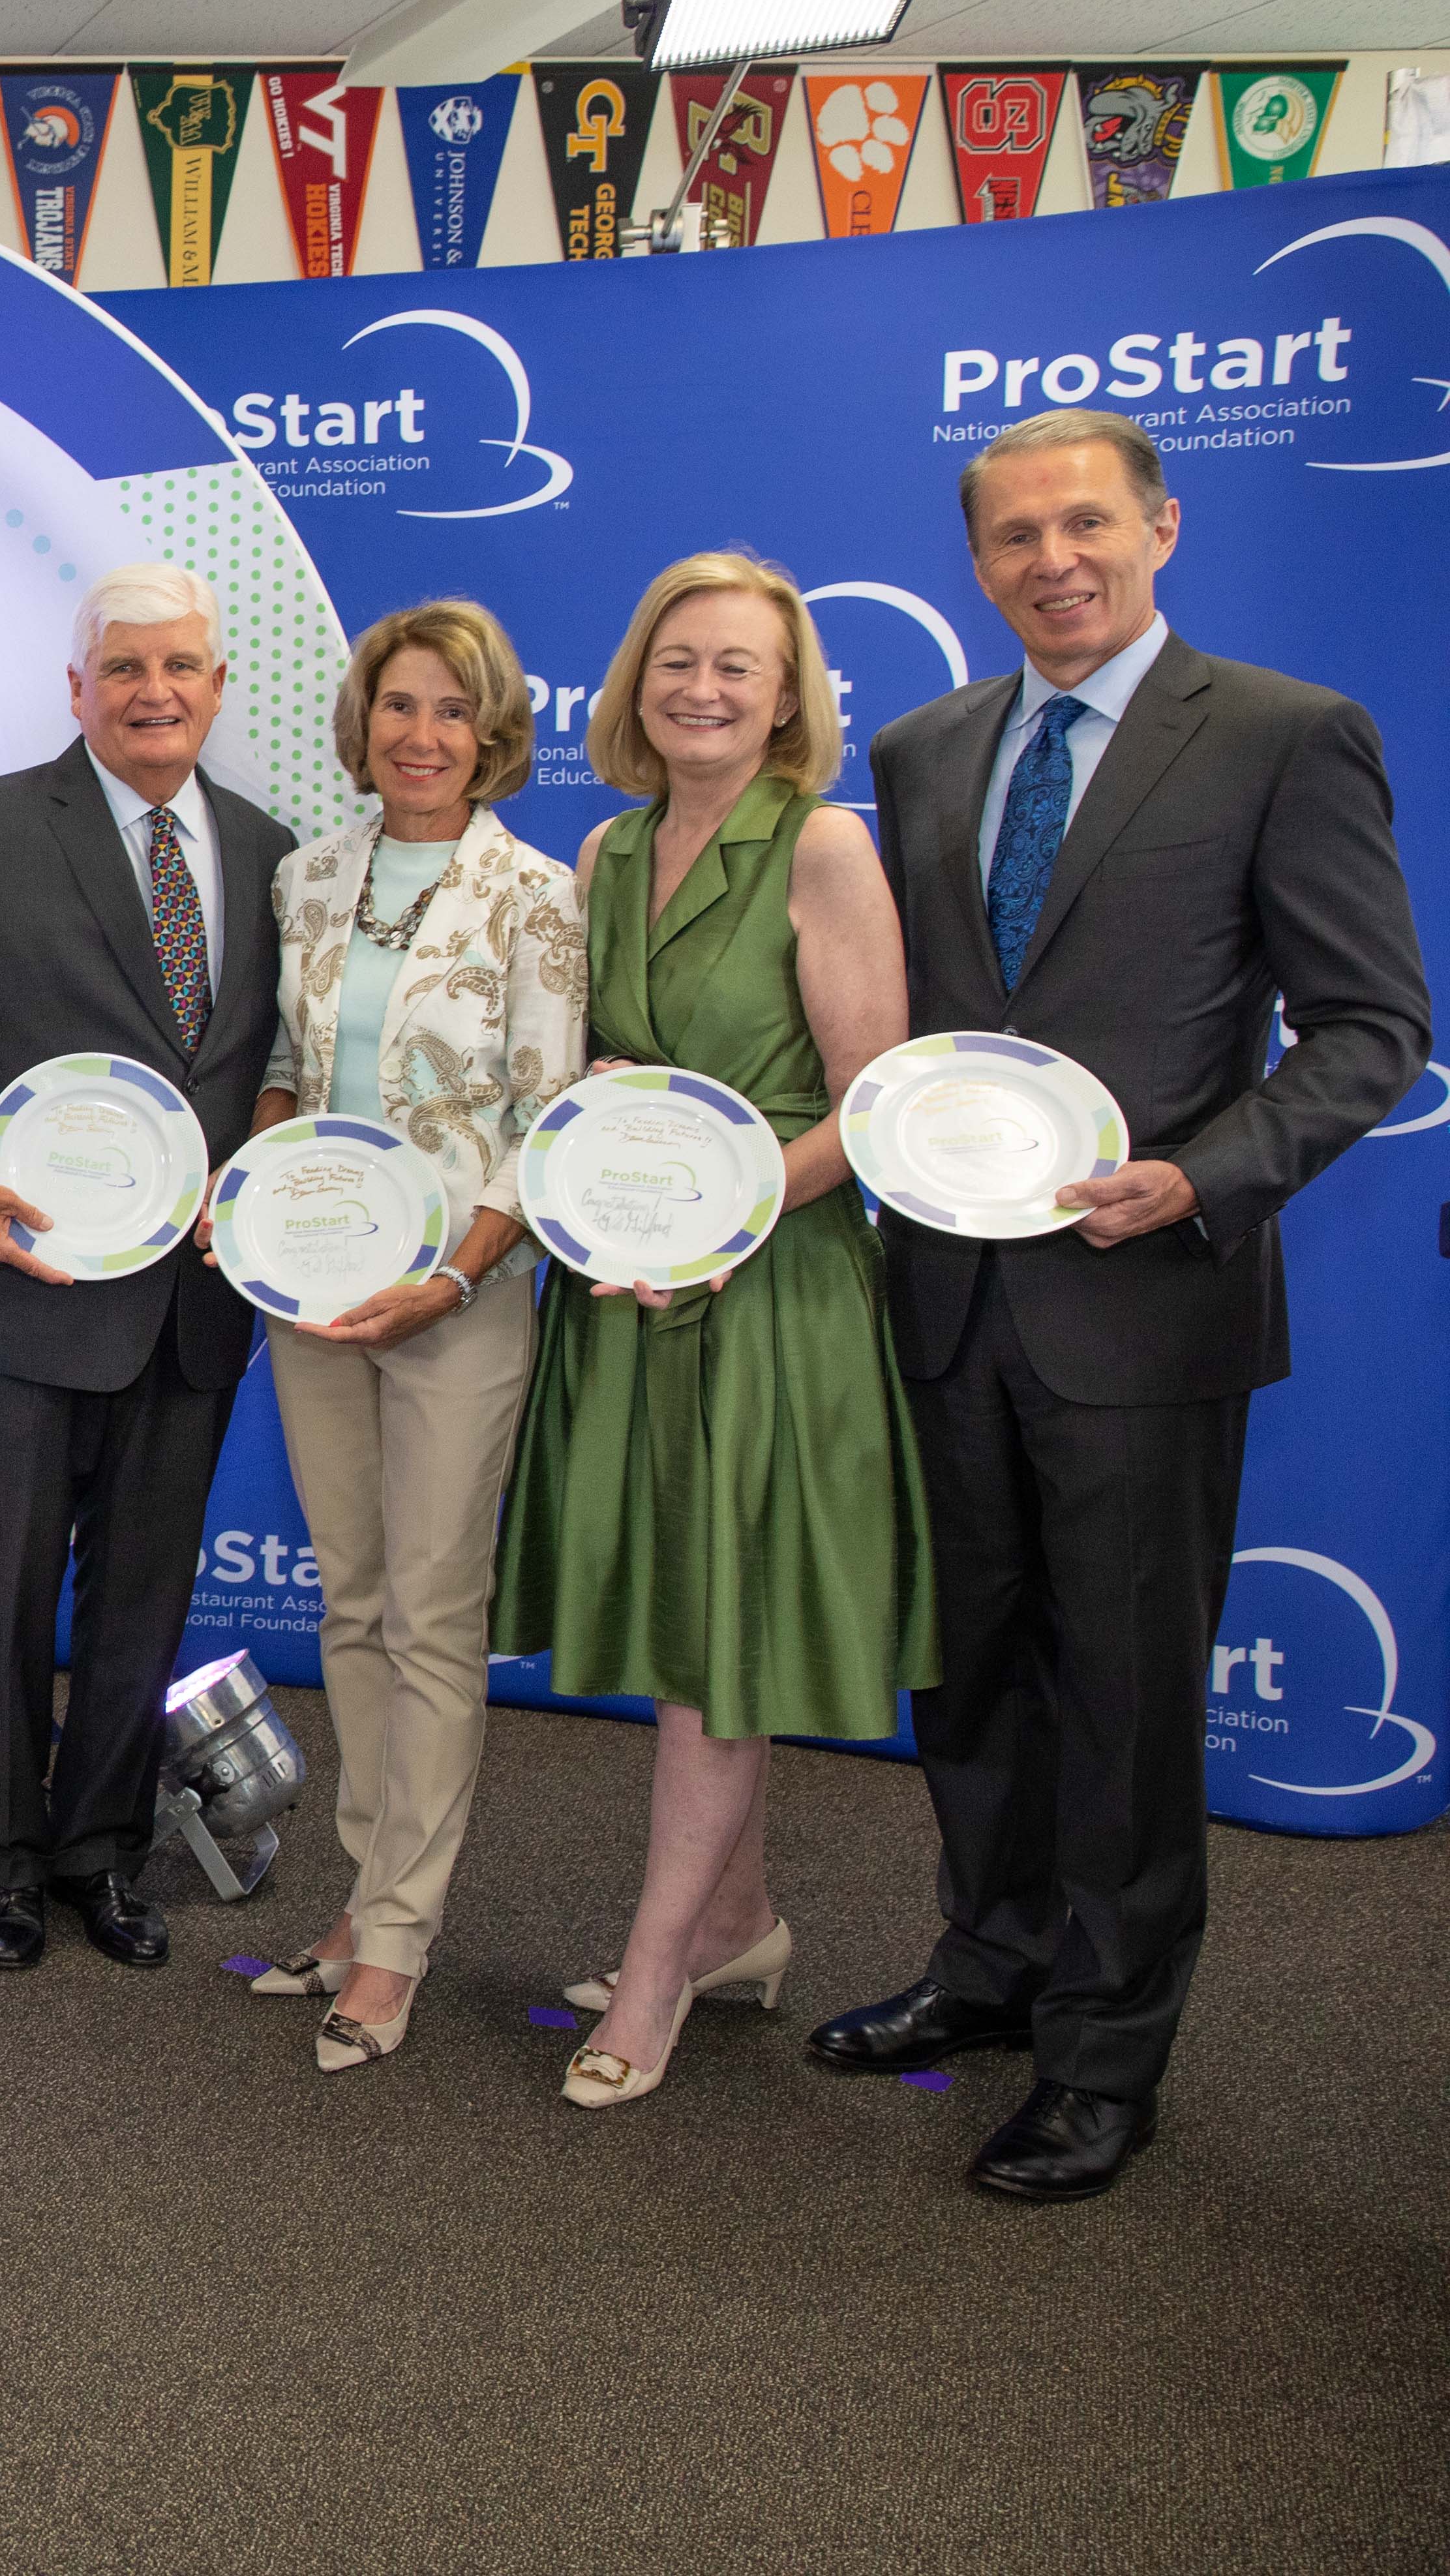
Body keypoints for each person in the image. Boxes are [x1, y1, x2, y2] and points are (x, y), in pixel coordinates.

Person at [811, 412, 1428, 2202]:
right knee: (979, 1672)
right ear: (979, 561)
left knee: (1133, 1695)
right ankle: (989, 1967)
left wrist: (1209, 1175)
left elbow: (1375, 1027)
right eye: (1014, 536)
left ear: (1162, 526)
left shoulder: (1287, 735)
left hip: (1147, 1301)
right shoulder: (925, 753)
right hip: (947, 1299)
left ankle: (1104, 2057)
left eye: (1086, 523)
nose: (1052, 560)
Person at [493, 552, 928, 2112]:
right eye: (679, 659)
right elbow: (621, 1068)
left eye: (739, 667)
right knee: (690, 1623)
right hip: (628, 1294)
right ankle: (738, 1925)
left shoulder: (822, 847)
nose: (703, 689)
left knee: (714, 1652)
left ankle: (662, 1969)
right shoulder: (608, 848)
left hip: (768, 1293)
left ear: (789, 696)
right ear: (635, 680)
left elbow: (871, 1105)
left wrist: (721, 1232)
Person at [0, 565, 295, 1977]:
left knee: (143, 1605)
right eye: (125, 667)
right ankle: (9, 1862)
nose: (156, 692)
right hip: (8, 1288)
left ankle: (102, 1855)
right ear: (77, 688)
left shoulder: (277, 858)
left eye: (183, 666)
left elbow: (272, 1069)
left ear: (219, 686)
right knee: (6, 1599)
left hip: (189, 1312)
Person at [233, 601, 584, 2070]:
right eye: (397, 706)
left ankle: (398, 1940)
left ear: (492, 728)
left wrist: (454, 1273)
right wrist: (254, 1197)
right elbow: (276, 1068)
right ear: (361, 722)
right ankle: (363, 1891)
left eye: (451, 709)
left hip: (459, 1297)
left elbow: (544, 1118)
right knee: (355, 1603)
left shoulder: (538, 893)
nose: (421, 734)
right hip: (314, 1295)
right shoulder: (308, 879)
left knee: (434, 1617)